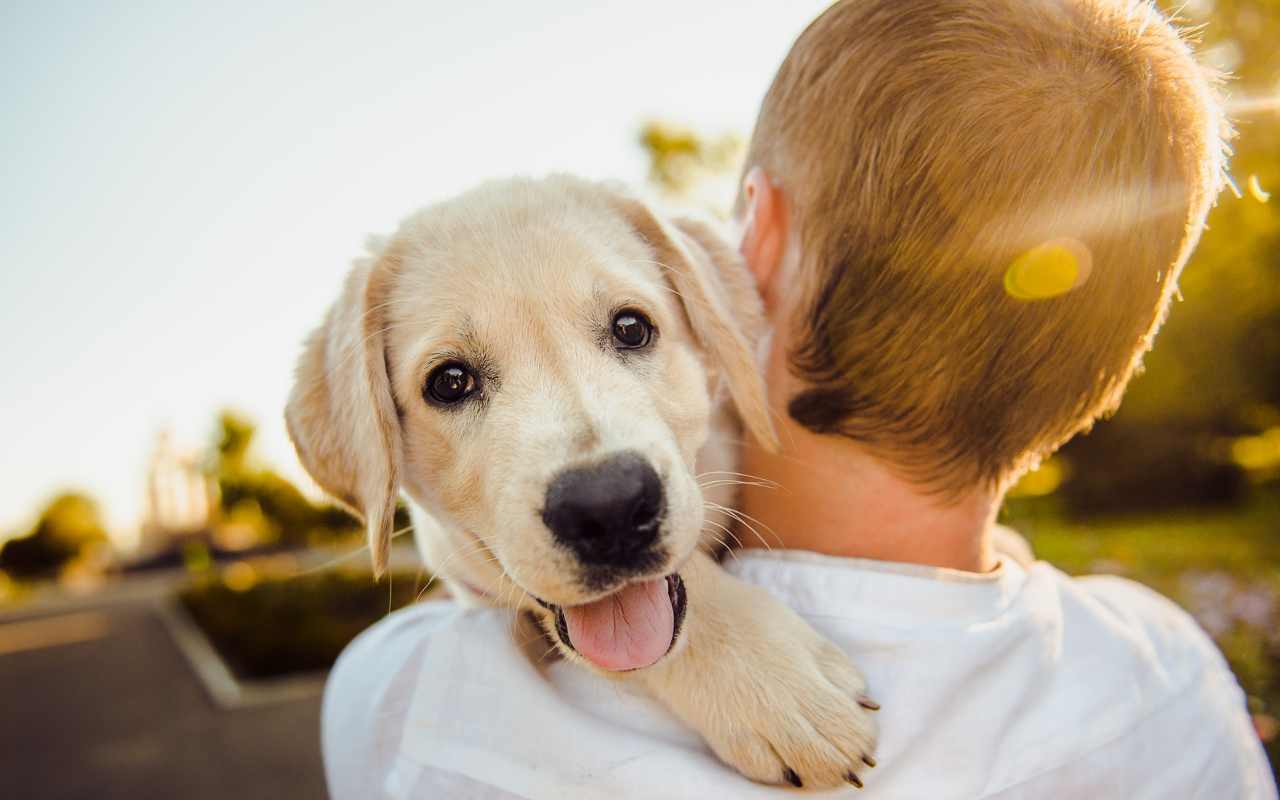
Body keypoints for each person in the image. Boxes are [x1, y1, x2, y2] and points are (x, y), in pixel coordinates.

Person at [322, 0, 1277, 797]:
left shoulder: (409, 706)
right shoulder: (1170, 681)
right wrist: (701, 632)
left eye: (628, 331)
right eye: (454, 382)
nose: (596, 463)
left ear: (754, 245)